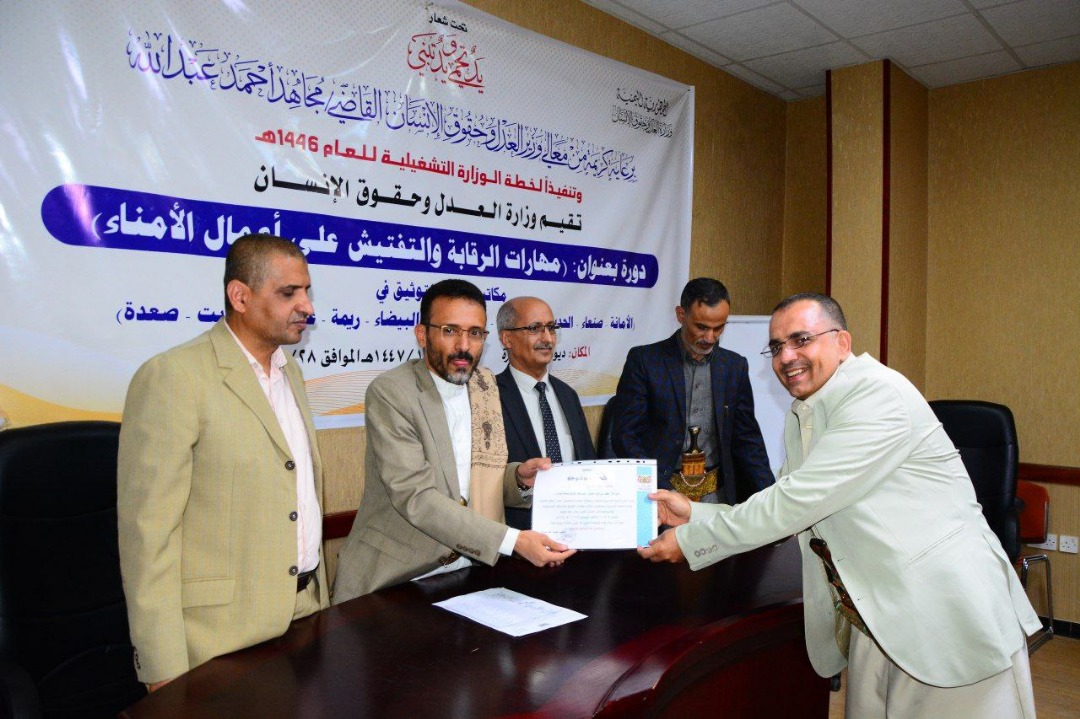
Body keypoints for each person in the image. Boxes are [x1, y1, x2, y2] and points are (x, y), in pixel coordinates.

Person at [640, 293, 1040, 717]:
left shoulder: (876, 396)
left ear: (842, 343)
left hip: (944, 616)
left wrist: (691, 541)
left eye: (801, 340)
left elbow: (794, 503)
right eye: (776, 347)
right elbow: (789, 502)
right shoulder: (809, 411)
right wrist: (695, 513)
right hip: (876, 614)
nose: (786, 357)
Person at [118, 233, 327, 690]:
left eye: (307, 291)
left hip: (305, 615)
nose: (307, 306)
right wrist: (162, 667)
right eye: (289, 293)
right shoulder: (174, 376)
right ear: (240, 296)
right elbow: (149, 535)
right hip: (217, 639)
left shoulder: (290, 372)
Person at [333, 279, 576, 602]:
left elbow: (472, 480)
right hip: (398, 579)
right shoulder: (392, 392)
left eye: (475, 333)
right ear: (422, 334)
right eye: (450, 331)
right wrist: (512, 541)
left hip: (469, 571)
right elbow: (417, 497)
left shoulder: (484, 386)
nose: (464, 345)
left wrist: (517, 478)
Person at [611, 277, 774, 503]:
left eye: (719, 328)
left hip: (716, 496)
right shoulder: (645, 361)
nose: (710, 338)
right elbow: (625, 436)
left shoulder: (734, 367)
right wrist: (662, 489)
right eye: (701, 327)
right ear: (681, 315)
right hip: (660, 494)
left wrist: (771, 497)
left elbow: (747, 438)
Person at [495, 296, 597, 530]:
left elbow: (588, 463)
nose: (548, 338)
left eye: (551, 328)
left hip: (577, 532)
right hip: (519, 537)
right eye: (534, 328)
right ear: (507, 338)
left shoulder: (568, 395)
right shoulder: (489, 397)